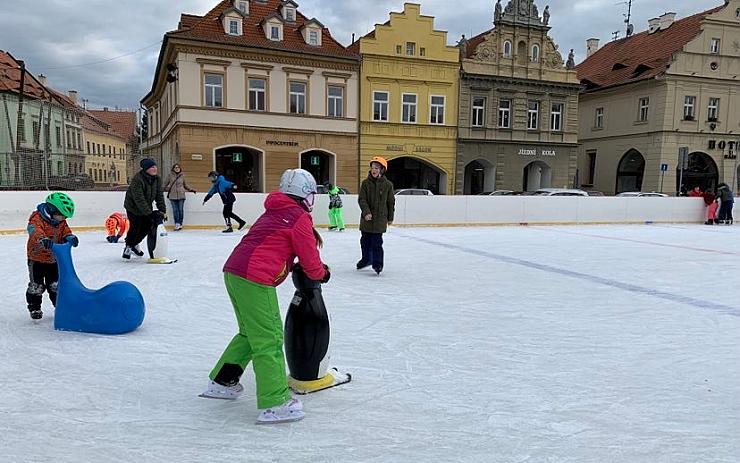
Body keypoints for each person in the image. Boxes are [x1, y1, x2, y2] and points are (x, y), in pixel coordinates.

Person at [202, 168, 331, 425]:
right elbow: (309, 258)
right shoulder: (297, 217)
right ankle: (275, 402)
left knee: (250, 334)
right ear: (304, 195)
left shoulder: (274, 210)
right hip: (254, 279)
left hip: (234, 273)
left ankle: (222, 381)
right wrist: (321, 273)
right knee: (269, 338)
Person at [26, 192, 78, 320]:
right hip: (36, 258)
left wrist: (69, 237)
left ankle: (60, 306)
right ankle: (35, 307)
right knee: (36, 286)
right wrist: (42, 238)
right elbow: (34, 230)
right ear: (52, 210)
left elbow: (65, 230)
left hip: (54, 258)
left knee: (55, 285)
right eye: (62, 215)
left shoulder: (61, 222)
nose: (64, 219)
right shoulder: (36, 219)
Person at [357, 156, 395, 275]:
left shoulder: (388, 185)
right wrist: (366, 212)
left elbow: (390, 202)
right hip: (367, 220)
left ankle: (378, 264)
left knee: (377, 243)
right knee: (365, 241)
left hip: (379, 220)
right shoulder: (365, 183)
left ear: (382, 170)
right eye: (373, 167)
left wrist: (390, 218)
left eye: (377, 168)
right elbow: (362, 199)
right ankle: (366, 259)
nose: (374, 170)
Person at [123, 158, 167, 259]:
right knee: (135, 226)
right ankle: (128, 247)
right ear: (146, 169)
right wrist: (149, 213)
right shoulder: (137, 179)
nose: (155, 168)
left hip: (146, 206)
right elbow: (139, 198)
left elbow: (159, 196)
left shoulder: (157, 179)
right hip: (133, 207)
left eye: (155, 166)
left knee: (148, 226)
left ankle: (134, 244)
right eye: (152, 167)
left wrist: (162, 211)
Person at [164, 163, 196, 231]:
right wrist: (164, 189)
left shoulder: (182, 175)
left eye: (178, 167)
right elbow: (165, 184)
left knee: (180, 210)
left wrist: (191, 189)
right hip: (172, 196)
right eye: (175, 167)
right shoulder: (170, 175)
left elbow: (185, 185)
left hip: (181, 195)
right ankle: (177, 224)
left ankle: (180, 223)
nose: (177, 168)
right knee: (175, 211)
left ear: (180, 168)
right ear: (173, 168)